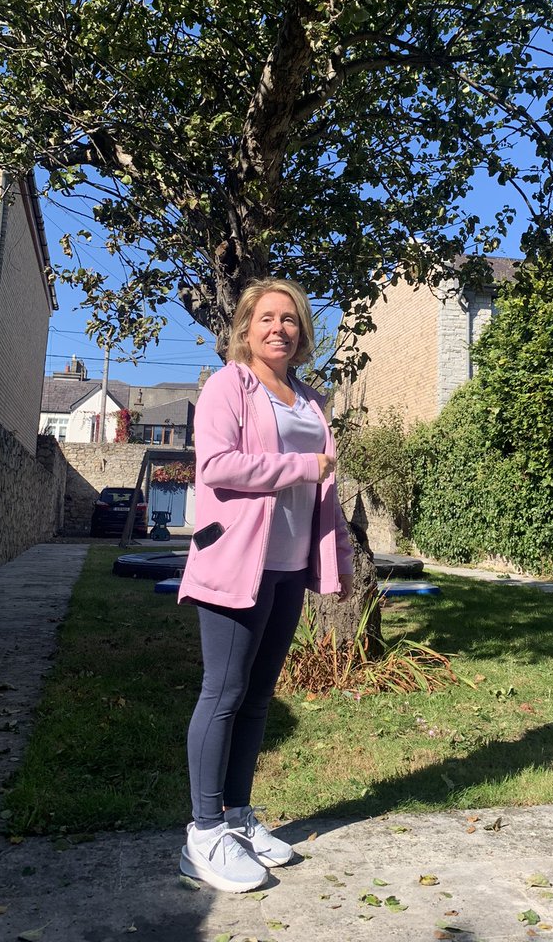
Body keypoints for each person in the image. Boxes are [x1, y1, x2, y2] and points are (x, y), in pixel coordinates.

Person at [176, 278, 354, 892]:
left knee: (257, 699)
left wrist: (338, 559)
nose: (280, 328)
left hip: (286, 564)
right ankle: (202, 835)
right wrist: (301, 466)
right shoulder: (229, 385)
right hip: (234, 563)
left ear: (302, 332)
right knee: (222, 691)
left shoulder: (308, 398)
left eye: (291, 320)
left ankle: (238, 816)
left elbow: (325, 492)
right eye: (268, 318)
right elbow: (217, 466)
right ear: (246, 326)